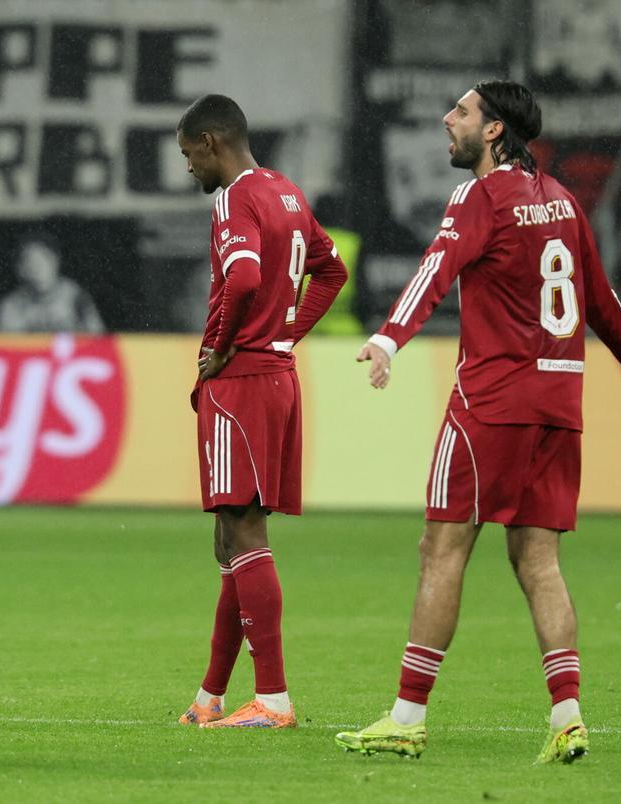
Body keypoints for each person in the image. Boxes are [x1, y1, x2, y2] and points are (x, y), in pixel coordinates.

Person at [334, 80, 621, 763]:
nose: (447, 120)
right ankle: (568, 716)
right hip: (560, 402)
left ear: (494, 131)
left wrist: (387, 340)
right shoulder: (561, 201)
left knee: (442, 548)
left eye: (461, 113)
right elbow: (599, 296)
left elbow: (436, 269)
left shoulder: (480, 197)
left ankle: (406, 716)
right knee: (539, 559)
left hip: (491, 403)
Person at [174, 95, 347, 729]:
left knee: (245, 534)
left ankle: (272, 700)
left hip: (242, 384)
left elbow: (243, 277)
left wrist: (220, 346)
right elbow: (331, 269)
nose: (189, 168)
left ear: (212, 142)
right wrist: (286, 332)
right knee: (231, 537)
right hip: (275, 377)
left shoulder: (235, 198)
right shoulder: (287, 192)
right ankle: (211, 697)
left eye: (190, 154)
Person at [0, 231, 104, 333]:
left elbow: (98, 339)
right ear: (20, 269)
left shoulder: (76, 297)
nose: (37, 268)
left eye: (43, 260)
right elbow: (3, 346)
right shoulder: (11, 305)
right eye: (30, 262)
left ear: (56, 260)